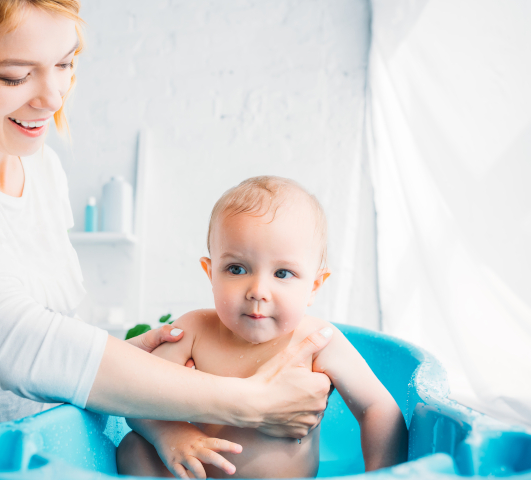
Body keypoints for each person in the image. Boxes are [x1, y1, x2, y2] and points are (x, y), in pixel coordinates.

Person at [0, 2, 335, 480]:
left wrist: (127, 365)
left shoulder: (39, 169)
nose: (53, 96)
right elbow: (19, 343)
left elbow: (50, 334)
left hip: (35, 462)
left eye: (66, 64)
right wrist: (251, 401)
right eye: (16, 75)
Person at [116, 176, 409, 479]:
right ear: (210, 272)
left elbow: (379, 408)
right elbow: (136, 394)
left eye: (283, 273)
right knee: (133, 448)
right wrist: (170, 435)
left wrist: (380, 475)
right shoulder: (194, 330)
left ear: (314, 286)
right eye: (237, 269)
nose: (258, 290)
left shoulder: (319, 340)